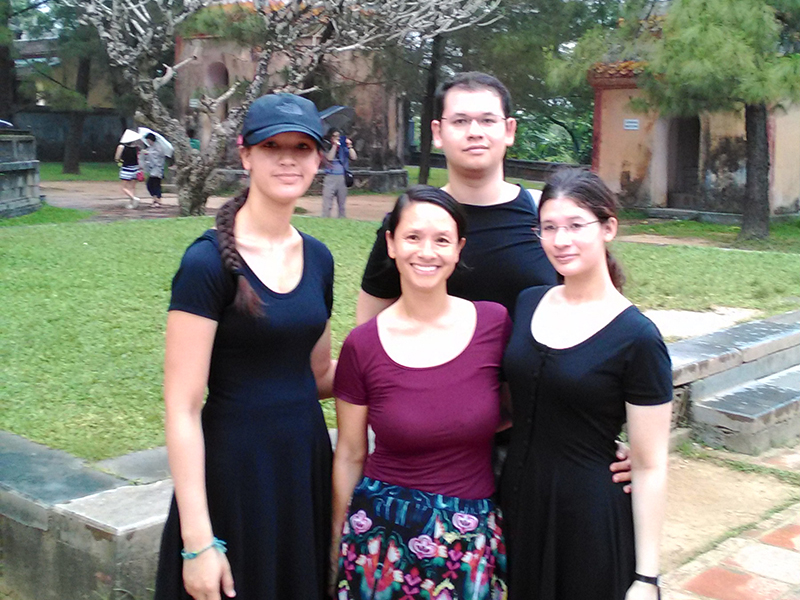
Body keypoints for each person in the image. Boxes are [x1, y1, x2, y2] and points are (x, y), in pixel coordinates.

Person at [355, 71, 633, 488]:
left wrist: (615, 432)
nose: (474, 132)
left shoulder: (547, 223)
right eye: (460, 121)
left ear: (509, 130)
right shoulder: (410, 229)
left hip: (539, 437)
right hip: (434, 445)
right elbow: (369, 335)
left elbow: (602, 323)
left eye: (487, 120)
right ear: (438, 132)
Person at [153, 93, 337, 600]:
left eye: (302, 148)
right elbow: (182, 407)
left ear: (319, 159)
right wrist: (198, 542)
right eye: (272, 146)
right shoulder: (206, 264)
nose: (288, 159)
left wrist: (408, 359)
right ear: (245, 154)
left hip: (302, 471)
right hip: (235, 476)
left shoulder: (319, 259)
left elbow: (318, 375)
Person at [500, 169, 673, 600]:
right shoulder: (528, 302)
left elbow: (650, 466)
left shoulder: (638, 338)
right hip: (517, 507)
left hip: (587, 520)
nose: (561, 240)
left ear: (608, 228)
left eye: (576, 225)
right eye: (549, 227)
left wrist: (647, 578)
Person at [332, 185, 509, 600]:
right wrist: (336, 545)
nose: (426, 252)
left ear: (459, 249)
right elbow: (350, 453)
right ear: (391, 244)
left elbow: (536, 402)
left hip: (469, 538)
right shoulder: (364, 344)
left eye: (442, 240)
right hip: (380, 539)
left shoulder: (494, 325)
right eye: (412, 237)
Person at [322, 128, 356, 218]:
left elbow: (353, 157)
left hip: (342, 177)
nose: (337, 138)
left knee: (342, 204)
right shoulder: (326, 146)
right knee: (327, 203)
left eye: (338, 136)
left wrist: (349, 146)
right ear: (330, 137)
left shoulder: (343, 147)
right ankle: (325, 219)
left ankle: (342, 218)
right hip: (330, 176)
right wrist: (334, 146)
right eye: (334, 136)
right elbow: (329, 158)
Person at [114, 139, 142, 209]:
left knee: (124, 187)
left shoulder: (121, 147)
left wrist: (119, 160)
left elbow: (117, 158)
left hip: (126, 168)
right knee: (132, 187)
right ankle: (132, 204)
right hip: (135, 168)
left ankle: (134, 198)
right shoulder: (137, 147)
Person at [142, 132, 166, 208]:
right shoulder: (150, 147)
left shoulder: (158, 147)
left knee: (155, 184)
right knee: (151, 185)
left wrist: (148, 153)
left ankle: (158, 200)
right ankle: (155, 199)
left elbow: (157, 157)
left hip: (157, 169)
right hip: (152, 169)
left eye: (148, 140)